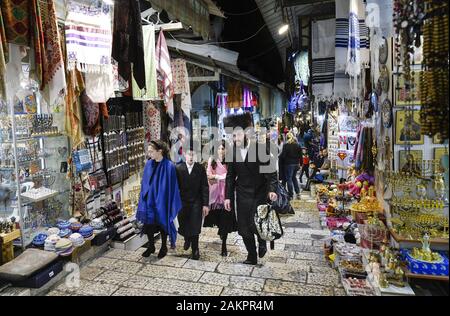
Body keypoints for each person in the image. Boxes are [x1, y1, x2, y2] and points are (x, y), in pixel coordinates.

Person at [223, 113, 278, 265]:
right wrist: (227, 197)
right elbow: (230, 176)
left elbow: (272, 172)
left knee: (258, 224)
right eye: (233, 136)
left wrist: (272, 190)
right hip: (242, 195)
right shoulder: (232, 151)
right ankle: (251, 256)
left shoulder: (260, 148)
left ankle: (262, 242)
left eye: (238, 135)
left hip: (260, 192)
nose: (235, 139)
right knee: (244, 228)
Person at [137, 140, 182, 259]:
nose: (149, 153)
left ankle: (163, 247)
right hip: (149, 201)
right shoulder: (148, 164)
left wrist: (164, 200)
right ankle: (151, 246)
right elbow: (145, 182)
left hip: (163, 201)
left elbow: (172, 186)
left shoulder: (169, 166)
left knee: (163, 224)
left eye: (151, 151)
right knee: (149, 224)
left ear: (160, 151)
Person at [203, 140, 237, 257]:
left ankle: (224, 245)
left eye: (223, 148)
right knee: (217, 220)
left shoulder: (230, 161)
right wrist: (219, 178)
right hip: (214, 196)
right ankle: (221, 233)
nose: (221, 151)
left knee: (225, 221)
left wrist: (217, 176)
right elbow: (209, 176)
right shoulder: (212, 161)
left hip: (226, 196)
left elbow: (231, 177)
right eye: (219, 148)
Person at [175, 149, 209, 260]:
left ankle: (195, 249)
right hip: (182, 201)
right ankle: (187, 238)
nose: (191, 157)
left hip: (196, 201)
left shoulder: (200, 169)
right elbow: (175, 188)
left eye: (193, 154)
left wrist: (205, 204)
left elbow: (204, 187)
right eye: (189, 154)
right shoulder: (178, 168)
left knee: (195, 225)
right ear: (185, 155)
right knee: (183, 223)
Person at [280, 133, 302, 200]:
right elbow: (300, 156)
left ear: (286, 138)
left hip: (289, 164)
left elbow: (283, 155)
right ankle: (298, 193)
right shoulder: (298, 145)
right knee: (294, 178)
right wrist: (300, 164)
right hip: (296, 164)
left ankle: (291, 195)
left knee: (289, 179)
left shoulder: (286, 145)